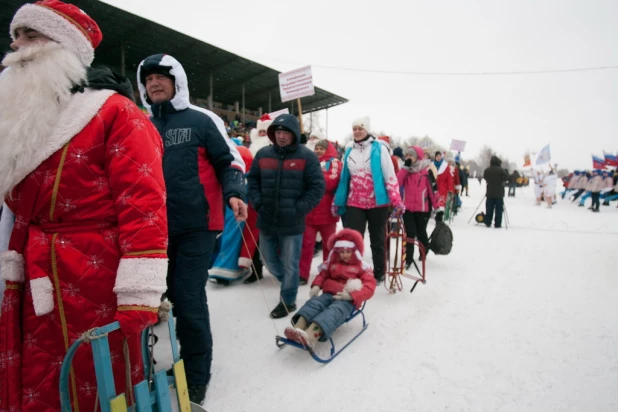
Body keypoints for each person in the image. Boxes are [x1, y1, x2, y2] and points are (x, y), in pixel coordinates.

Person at [0, 2, 168, 410]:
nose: (16, 47)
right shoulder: (22, 117)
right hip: (30, 266)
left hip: (97, 276)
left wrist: (138, 294)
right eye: (14, 36)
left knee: (94, 378)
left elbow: (144, 205)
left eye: (30, 36)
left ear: (63, 46)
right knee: (37, 375)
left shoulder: (116, 113)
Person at [138, 53, 248, 404]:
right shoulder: (140, 125)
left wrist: (234, 194)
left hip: (196, 226)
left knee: (187, 299)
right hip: (151, 230)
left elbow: (230, 161)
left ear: (177, 82)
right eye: (148, 79)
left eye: (161, 77)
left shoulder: (202, 120)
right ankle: (161, 364)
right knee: (153, 301)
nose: (154, 83)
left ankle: (197, 376)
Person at [247, 114, 325, 318]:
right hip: (266, 218)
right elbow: (252, 181)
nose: (281, 136)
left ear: (294, 134)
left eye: (286, 132)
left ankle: (288, 300)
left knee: (291, 264)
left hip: (292, 222)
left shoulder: (306, 156)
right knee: (269, 261)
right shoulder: (263, 154)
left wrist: (299, 208)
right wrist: (258, 203)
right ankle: (289, 282)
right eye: (278, 132)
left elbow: (317, 187)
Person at [333, 117, 404, 284]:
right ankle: (353, 271)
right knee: (353, 240)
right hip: (354, 202)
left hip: (377, 202)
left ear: (367, 130)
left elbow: (390, 176)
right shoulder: (349, 150)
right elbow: (344, 179)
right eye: (355, 128)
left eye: (360, 128)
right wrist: (338, 200)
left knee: (377, 239)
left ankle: (379, 273)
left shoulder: (379, 149)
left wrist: (396, 200)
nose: (357, 131)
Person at [283, 229, 376, 349]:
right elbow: (323, 275)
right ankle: (297, 329)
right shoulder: (332, 264)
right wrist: (316, 285)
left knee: (333, 311)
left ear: (355, 252)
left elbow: (370, 286)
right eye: (341, 252)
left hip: (347, 299)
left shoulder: (362, 267)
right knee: (314, 304)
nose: (345, 255)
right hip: (328, 294)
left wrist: (352, 296)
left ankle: (310, 335)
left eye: (348, 251)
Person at [299, 140, 342, 285]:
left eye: (321, 149)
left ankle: (328, 273)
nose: (317, 151)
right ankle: (302, 274)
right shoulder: (309, 162)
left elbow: (331, 182)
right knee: (306, 244)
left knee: (329, 245)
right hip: (309, 211)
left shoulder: (334, 162)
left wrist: (313, 177)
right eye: (316, 148)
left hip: (327, 212)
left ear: (327, 150)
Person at [397, 146, 439, 265]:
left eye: (411, 156)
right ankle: (408, 258)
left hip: (423, 209)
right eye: (407, 155)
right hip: (408, 208)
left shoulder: (426, 172)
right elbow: (397, 182)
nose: (409, 157)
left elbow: (433, 191)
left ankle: (423, 251)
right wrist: (405, 168)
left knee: (421, 232)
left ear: (418, 157)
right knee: (409, 233)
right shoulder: (405, 171)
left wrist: (437, 209)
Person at [482, 156, 509, 228]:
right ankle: (498, 223)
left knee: (489, 208)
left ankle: (488, 222)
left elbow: (485, 177)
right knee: (499, 209)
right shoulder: (501, 170)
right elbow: (506, 177)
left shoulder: (487, 170)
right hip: (499, 193)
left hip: (489, 192)